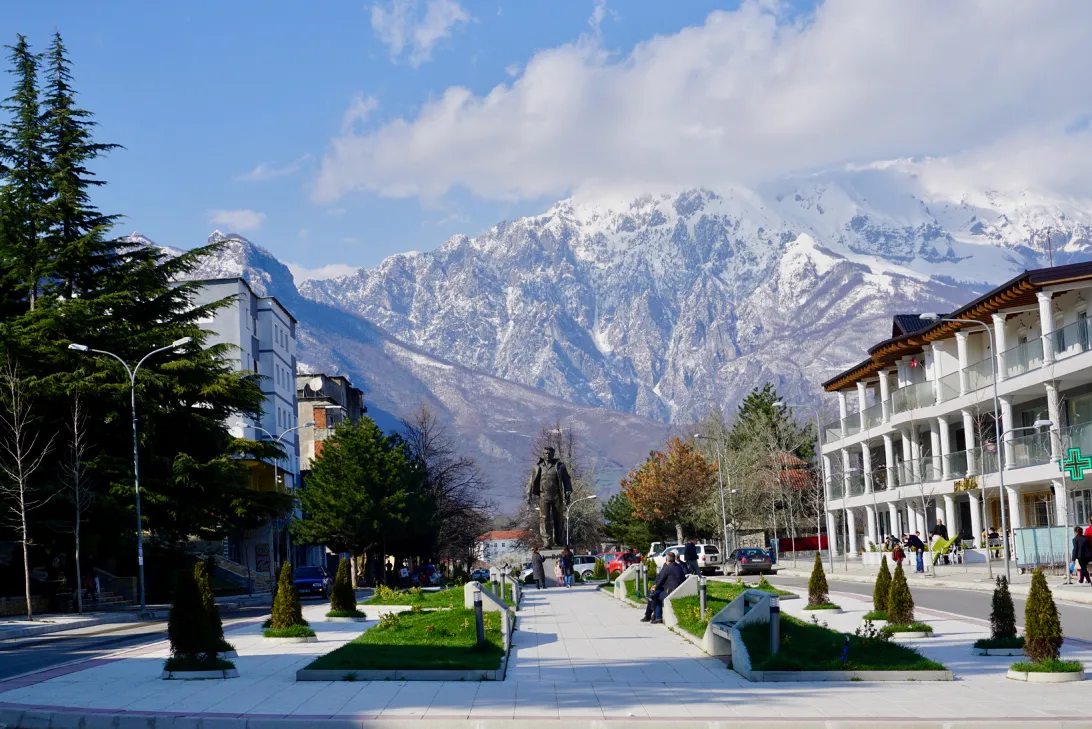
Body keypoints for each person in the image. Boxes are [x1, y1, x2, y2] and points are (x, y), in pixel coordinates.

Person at [642, 552, 686, 624]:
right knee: (655, 594)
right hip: (676, 589)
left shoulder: (668, 568)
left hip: (671, 591)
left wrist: (654, 587)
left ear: (666, 559)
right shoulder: (678, 566)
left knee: (656, 596)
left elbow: (661, 580)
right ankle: (653, 616)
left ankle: (656, 617)